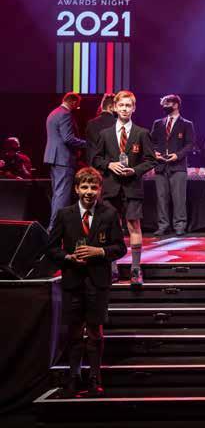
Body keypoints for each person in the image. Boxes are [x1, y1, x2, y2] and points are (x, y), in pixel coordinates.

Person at [47, 167, 127, 398]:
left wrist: (99, 251)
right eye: (84, 187)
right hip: (73, 281)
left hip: (97, 282)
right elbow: (51, 248)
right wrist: (68, 257)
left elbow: (120, 247)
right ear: (76, 189)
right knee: (73, 332)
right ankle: (73, 377)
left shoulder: (109, 214)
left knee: (94, 332)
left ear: (100, 189)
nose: (89, 191)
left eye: (93, 187)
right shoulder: (65, 214)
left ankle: (94, 378)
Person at [92, 90, 156, 287]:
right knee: (110, 227)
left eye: (128, 105)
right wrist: (109, 165)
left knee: (133, 226)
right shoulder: (105, 134)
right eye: (121, 105)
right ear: (114, 107)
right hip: (111, 188)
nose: (125, 109)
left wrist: (135, 170)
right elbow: (95, 159)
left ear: (134, 108)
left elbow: (151, 160)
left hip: (132, 187)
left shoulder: (141, 133)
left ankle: (136, 269)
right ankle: (112, 268)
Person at [150, 94, 196, 236]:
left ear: (176, 105)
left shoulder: (187, 124)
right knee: (161, 198)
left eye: (168, 103)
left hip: (178, 166)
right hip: (161, 165)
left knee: (179, 198)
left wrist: (177, 155)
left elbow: (190, 144)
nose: (165, 106)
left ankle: (179, 225)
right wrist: (155, 153)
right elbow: (151, 141)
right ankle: (163, 225)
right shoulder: (158, 123)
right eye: (163, 104)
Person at [44, 92, 87, 231]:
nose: (78, 107)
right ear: (73, 102)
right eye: (78, 105)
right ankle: (55, 227)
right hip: (63, 159)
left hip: (53, 158)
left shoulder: (53, 113)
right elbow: (68, 138)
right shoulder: (65, 114)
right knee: (62, 194)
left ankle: (53, 226)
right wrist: (88, 144)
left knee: (58, 194)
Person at [86, 93, 116, 166]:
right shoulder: (117, 123)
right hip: (114, 165)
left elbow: (90, 147)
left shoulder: (91, 123)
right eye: (118, 106)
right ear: (110, 107)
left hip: (96, 165)